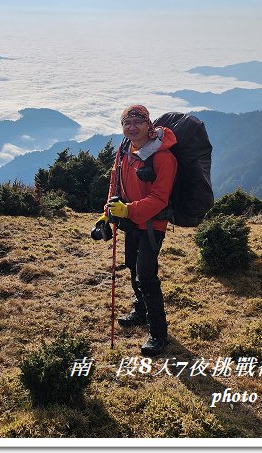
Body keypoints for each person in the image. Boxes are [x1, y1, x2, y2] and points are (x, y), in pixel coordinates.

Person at [96, 105, 177, 356]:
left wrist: (127, 210)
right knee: (132, 265)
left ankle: (158, 333)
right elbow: (114, 184)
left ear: (148, 124)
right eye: (126, 123)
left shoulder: (163, 157)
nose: (131, 127)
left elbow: (160, 198)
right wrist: (107, 214)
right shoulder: (123, 150)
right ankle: (140, 312)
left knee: (146, 276)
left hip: (152, 225)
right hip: (130, 222)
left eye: (137, 122)